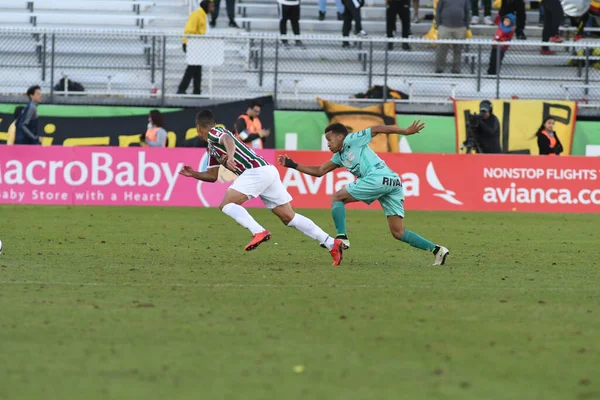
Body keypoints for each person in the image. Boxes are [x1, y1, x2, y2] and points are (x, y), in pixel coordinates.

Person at [179, 109, 345, 266]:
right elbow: (212, 176)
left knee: (227, 204)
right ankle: (331, 243)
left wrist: (230, 156)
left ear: (198, 128)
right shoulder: (212, 148)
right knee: (289, 217)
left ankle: (258, 231)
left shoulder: (215, 132)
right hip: (266, 171)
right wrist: (193, 173)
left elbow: (228, 140)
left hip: (255, 171)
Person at [277, 122, 450, 266]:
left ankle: (342, 238)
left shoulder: (353, 139)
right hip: (393, 182)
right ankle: (438, 250)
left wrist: (404, 131)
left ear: (340, 137)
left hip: (378, 177)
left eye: (329, 140)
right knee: (398, 232)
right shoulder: (339, 157)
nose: (328, 144)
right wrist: (292, 164)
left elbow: (377, 129)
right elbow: (320, 171)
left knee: (337, 197)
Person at [177, 0, 215, 95]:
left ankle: (196, 91)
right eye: (211, 5)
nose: (213, 7)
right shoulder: (196, 14)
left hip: (198, 45)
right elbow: (190, 30)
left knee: (197, 68)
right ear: (206, 5)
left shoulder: (203, 15)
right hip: (191, 44)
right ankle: (182, 89)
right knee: (192, 68)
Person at [435, 0, 470, 74]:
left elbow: (467, 12)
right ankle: (439, 69)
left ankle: (456, 70)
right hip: (444, 27)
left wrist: (466, 26)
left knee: (458, 50)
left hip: (460, 28)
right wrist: (439, 25)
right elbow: (438, 11)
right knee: (441, 49)